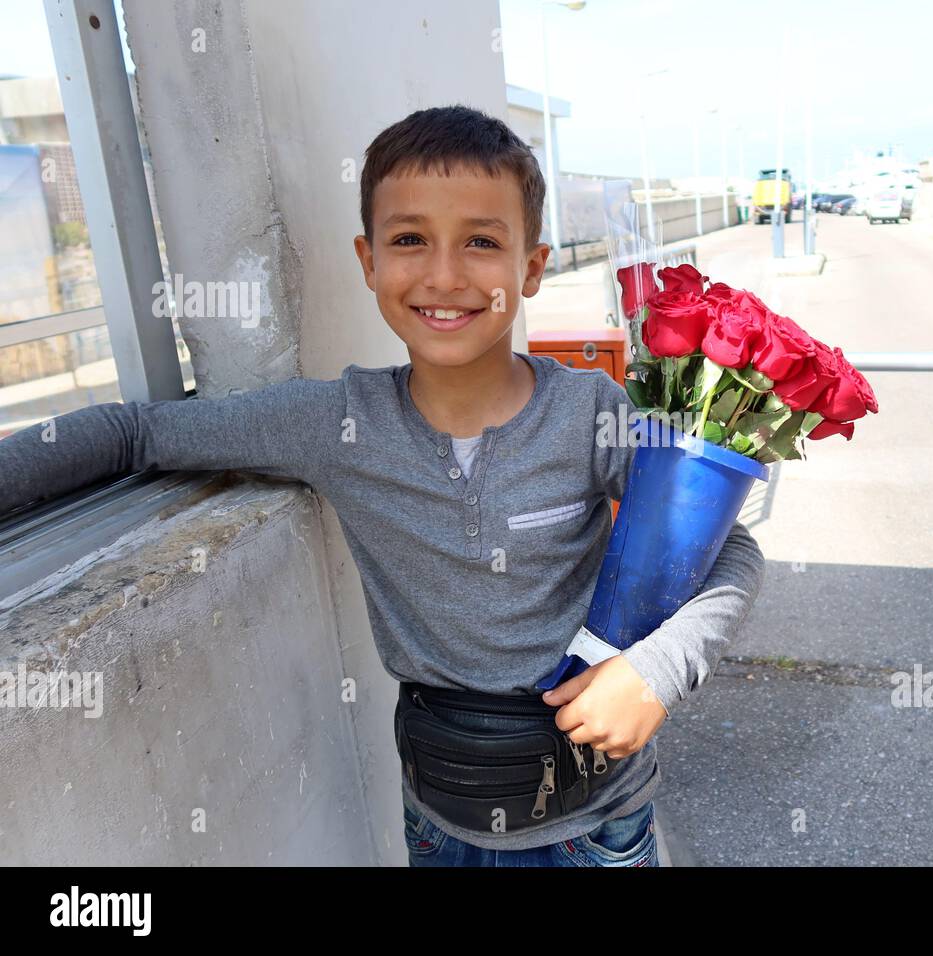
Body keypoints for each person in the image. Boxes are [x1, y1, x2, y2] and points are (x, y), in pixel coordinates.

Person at [0, 105, 766, 867]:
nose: (443, 275)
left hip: (598, 826)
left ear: (531, 267)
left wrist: (658, 674)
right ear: (369, 262)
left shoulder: (591, 414)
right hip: (441, 823)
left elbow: (727, 551)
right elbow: (133, 433)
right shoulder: (335, 422)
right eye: (409, 240)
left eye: (481, 242)